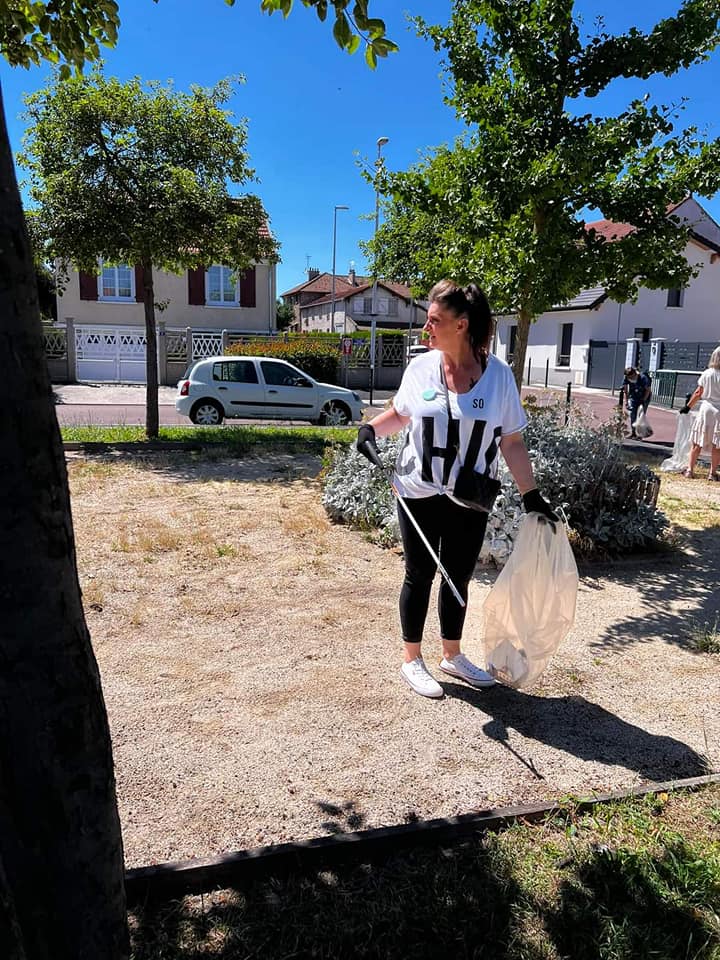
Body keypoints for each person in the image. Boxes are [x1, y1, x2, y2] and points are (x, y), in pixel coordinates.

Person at [356, 280, 557, 699]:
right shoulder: (421, 368)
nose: (426, 329)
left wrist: (530, 494)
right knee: (420, 573)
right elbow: (400, 413)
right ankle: (413, 659)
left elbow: (511, 441)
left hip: (471, 496)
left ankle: (452, 654)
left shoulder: (499, 378)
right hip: (418, 490)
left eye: (435, 321)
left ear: (462, 325)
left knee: (458, 577)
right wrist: (370, 429)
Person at [679, 345, 720, 481]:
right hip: (719, 411)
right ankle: (712, 473)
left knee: (697, 441)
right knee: (717, 444)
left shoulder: (707, 373)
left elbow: (698, 392)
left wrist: (688, 406)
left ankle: (690, 470)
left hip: (706, 409)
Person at [621, 366, 652, 439]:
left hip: (644, 396)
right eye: (629, 378)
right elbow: (625, 390)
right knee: (632, 414)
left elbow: (648, 390)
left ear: (635, 374)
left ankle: (640, 434)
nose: (631, 379)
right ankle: (633, 433)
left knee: (640, 415)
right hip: (633, 397)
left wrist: (643, 400)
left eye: (632, 377)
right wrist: (626, 401)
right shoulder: (626, 377)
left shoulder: (643, 378)